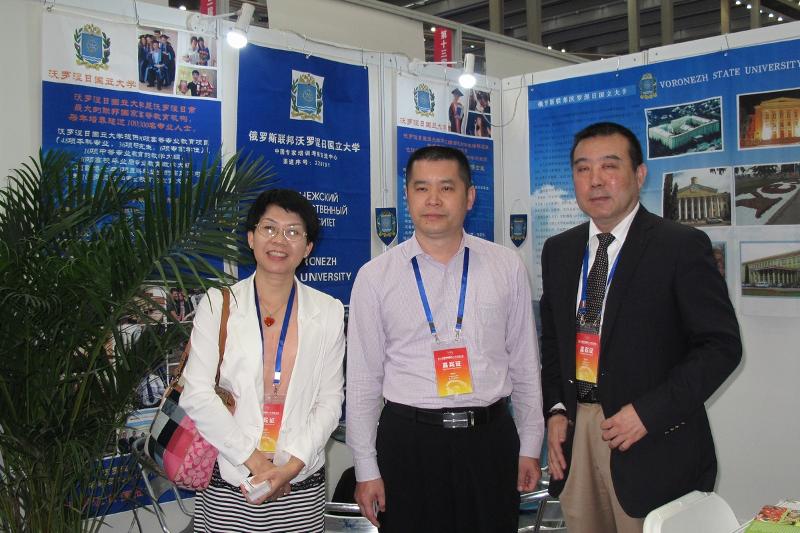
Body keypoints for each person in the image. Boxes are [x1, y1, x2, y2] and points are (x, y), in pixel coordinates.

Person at [539, 122, 742, 533]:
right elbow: (555, 342)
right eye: (582, 168)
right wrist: (557, 409)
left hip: (650, 438)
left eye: (609, 165)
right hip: (580, 433)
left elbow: (721, 347)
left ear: (639, 174)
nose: (595, 180)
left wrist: (648, 413)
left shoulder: (679, 246)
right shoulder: (559, 250)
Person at [346, 146, 544, 533]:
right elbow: (363, 380)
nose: (433, 200)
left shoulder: (506, 266)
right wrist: (366, 468)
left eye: (446, 188)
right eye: (422, 188)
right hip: (409, 443)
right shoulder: (375, 277)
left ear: (469, 197)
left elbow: (524, 362)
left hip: (489, 440)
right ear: (407, 196)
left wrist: (530, 444)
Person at [180, 189, 346, 532]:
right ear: (251, 237)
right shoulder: (218, 304)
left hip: (299, 483)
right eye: (269, 228)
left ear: (307, 247)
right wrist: (256, 463)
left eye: (293, 231)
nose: (279, 240)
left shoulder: (328, 311)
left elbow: (330, 400)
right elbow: (196, 394)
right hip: (231, 478)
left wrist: (290, 467)